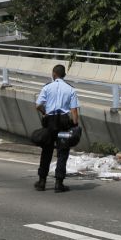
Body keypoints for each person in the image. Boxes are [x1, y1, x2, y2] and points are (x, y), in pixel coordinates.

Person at [35, 64, 80, 192]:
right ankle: (58, 183)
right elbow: (74, 111)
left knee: (47, 151)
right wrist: (75, 125)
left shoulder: (47, 87)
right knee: (63, 152)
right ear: (64, 75)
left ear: (54, 74)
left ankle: (42, 181)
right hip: (63, 123)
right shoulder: (70, 89)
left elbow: (38, 105)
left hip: (50, 122)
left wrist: (45, 113)